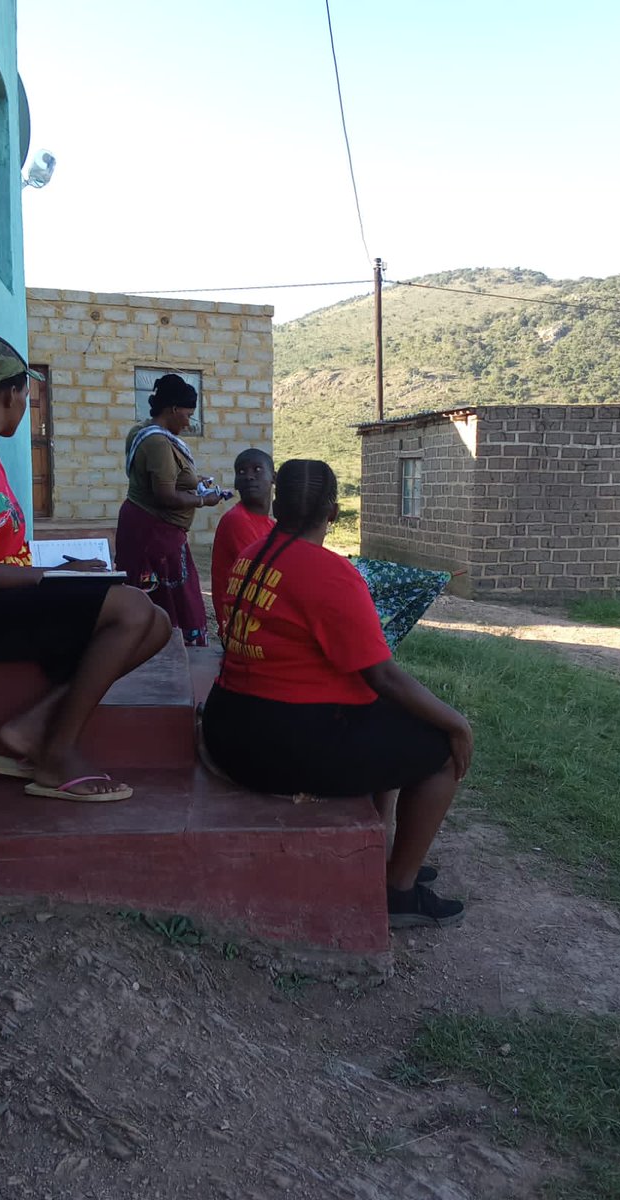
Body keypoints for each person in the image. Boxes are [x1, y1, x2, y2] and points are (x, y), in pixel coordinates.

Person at [202, 459, 474, 928]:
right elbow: (383, 677)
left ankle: (384, 856)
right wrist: (457, 722)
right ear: (332, 514)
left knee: (392, 720)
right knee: (440, 750)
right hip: (273, 746)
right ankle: (398, 892)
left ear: (277, 503)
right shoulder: (331, 574)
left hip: (228, 725)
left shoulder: (252, 554)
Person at [0, 333, 172, 802]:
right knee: (131, 610)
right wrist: (47, 578)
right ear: (10, 394)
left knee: (157, 622)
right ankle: (56, 755)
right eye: (27, 395)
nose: (26, 404)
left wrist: (66, 568)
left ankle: (34, 725)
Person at [115, 374, 225, 646]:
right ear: (173, 409)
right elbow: (164, 494)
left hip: (145, 525)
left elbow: (167, 479)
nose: (189, 423)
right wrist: (203, 500)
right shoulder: (158, 443)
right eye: (187, 415)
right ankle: (165, 645)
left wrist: (196, 482)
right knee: (170, 597)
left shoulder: (142, 432)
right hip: (155, 533)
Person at [210, 448, 276, 639]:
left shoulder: (270, 525)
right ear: (236, 484)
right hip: (243, 629)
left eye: (256, 470)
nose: (248, 477)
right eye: (241, 472)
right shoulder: (237, 520)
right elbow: (265, 578)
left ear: (273, 477)